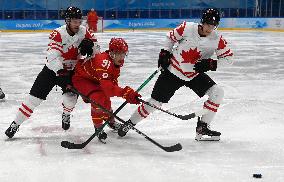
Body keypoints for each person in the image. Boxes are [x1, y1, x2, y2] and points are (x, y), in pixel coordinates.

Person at [118, 8, 234, 141]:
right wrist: (165, 53)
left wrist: (212, 64)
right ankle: (129, 123)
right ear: (202, 21)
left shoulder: (217, 39)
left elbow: (229, 59)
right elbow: (170, 37)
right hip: (173, 71)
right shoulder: (187, 28)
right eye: (208, 24)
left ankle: (203, 127)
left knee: (217, 93)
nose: (210, 28)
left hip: (194, 75)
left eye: (214, 25)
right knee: (154, 103)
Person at [5, 7, 100, 138]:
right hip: (52, 71)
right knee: (33, 100)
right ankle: (15, 124)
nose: (77, 24)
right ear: (67, 20)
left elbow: (97, 52)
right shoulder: (58, 33)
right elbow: (52, 56)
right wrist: (60, 72)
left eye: (79, 21)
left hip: (72, 72)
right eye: (74, 21)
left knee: (71, 99)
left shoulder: (85, 32)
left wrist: (91, 47)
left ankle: (66, 114)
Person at [72, 37, 141, 142]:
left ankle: (110, 121)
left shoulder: (114, 61)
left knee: (106, 100)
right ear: (112, 53)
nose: (122, 57)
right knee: (98, 100)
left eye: (124, 53)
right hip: (83, 79)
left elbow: (111, 84)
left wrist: (127, 94)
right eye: (119, 53)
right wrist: (126, 93)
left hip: (95, 79)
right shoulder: (103, 62)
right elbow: (109, 88)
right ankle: (98, 127)